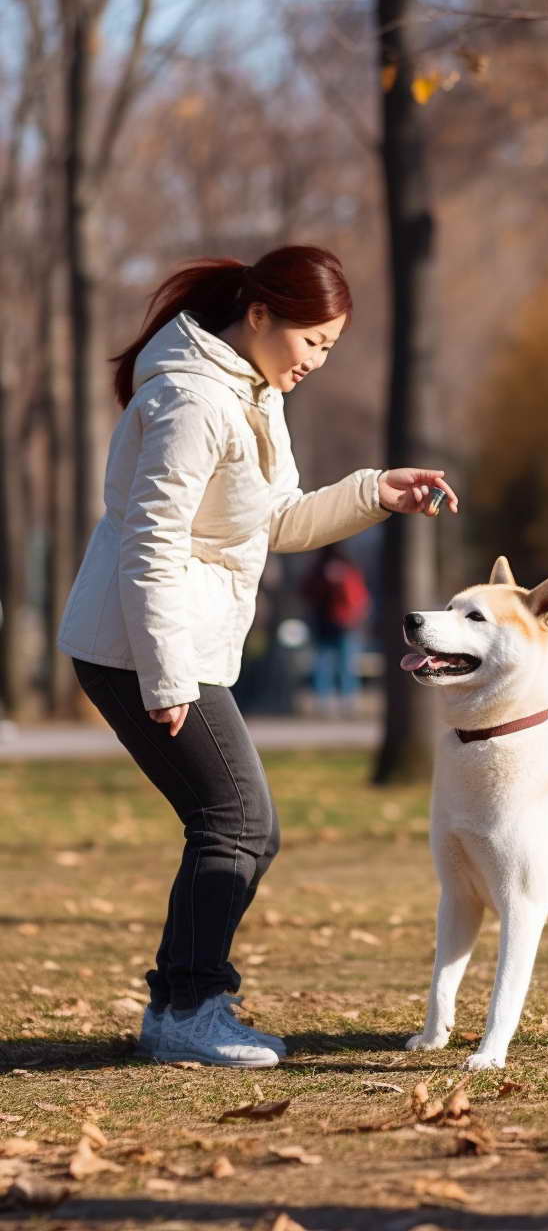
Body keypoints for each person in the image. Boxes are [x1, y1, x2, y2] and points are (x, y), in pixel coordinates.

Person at [57, 245, 458, 1068]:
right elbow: (152, 543)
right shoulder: (193, 399)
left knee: (240, 825)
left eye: (330, 348)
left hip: (167, 641)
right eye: (313, 341)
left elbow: (271, 520)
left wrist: (374, 493)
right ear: (262, 315)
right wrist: (167, 677)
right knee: (236, 823)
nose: (316, 360)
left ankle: (185, 1002)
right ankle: (187, 1012)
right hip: (136, 645)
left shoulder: (251, 390)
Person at [300, 544, 369, 716]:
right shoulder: (328, 571)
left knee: (337, 664)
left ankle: (338, 701)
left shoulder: (340, 571)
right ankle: (335, 701)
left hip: (338, 624)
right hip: (335, 624)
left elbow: (356, 598)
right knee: (334, 664)